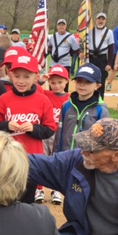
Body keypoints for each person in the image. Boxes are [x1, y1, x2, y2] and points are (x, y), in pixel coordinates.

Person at [0, 53, 56, 204]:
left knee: (26, 199)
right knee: (6, 197)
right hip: (7, 158)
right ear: (11, 75)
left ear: (35, 77)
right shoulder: (5, 99)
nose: (21, 81)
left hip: (31, 159)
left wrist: (33, 129)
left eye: (27, 76)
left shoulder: (42, 100)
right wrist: (6, 126)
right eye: (17, 76)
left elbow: (49, 129)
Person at [42, 64, 70, 204]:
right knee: (42, 159)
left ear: (67, 81)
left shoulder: (70, 98)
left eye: (60, 82)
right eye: (52, 82)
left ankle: (56, 190)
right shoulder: (45, 94)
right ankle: (39, 188)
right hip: (46, 133)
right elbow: (33, 89)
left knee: (58, 161)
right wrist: (41, 81)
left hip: (60, 134)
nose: (56, 85)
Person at [87, 13, 115, 96]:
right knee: (89, 79)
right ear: (96, 20)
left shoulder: (109, 32)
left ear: (105, 21)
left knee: (101, 80)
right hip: (91, 58)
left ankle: (100, 100)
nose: (101, 21)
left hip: (102, 59)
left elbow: (111, 48)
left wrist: (109, 63)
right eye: (99, 19)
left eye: (103, 19)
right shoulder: (89, 30)